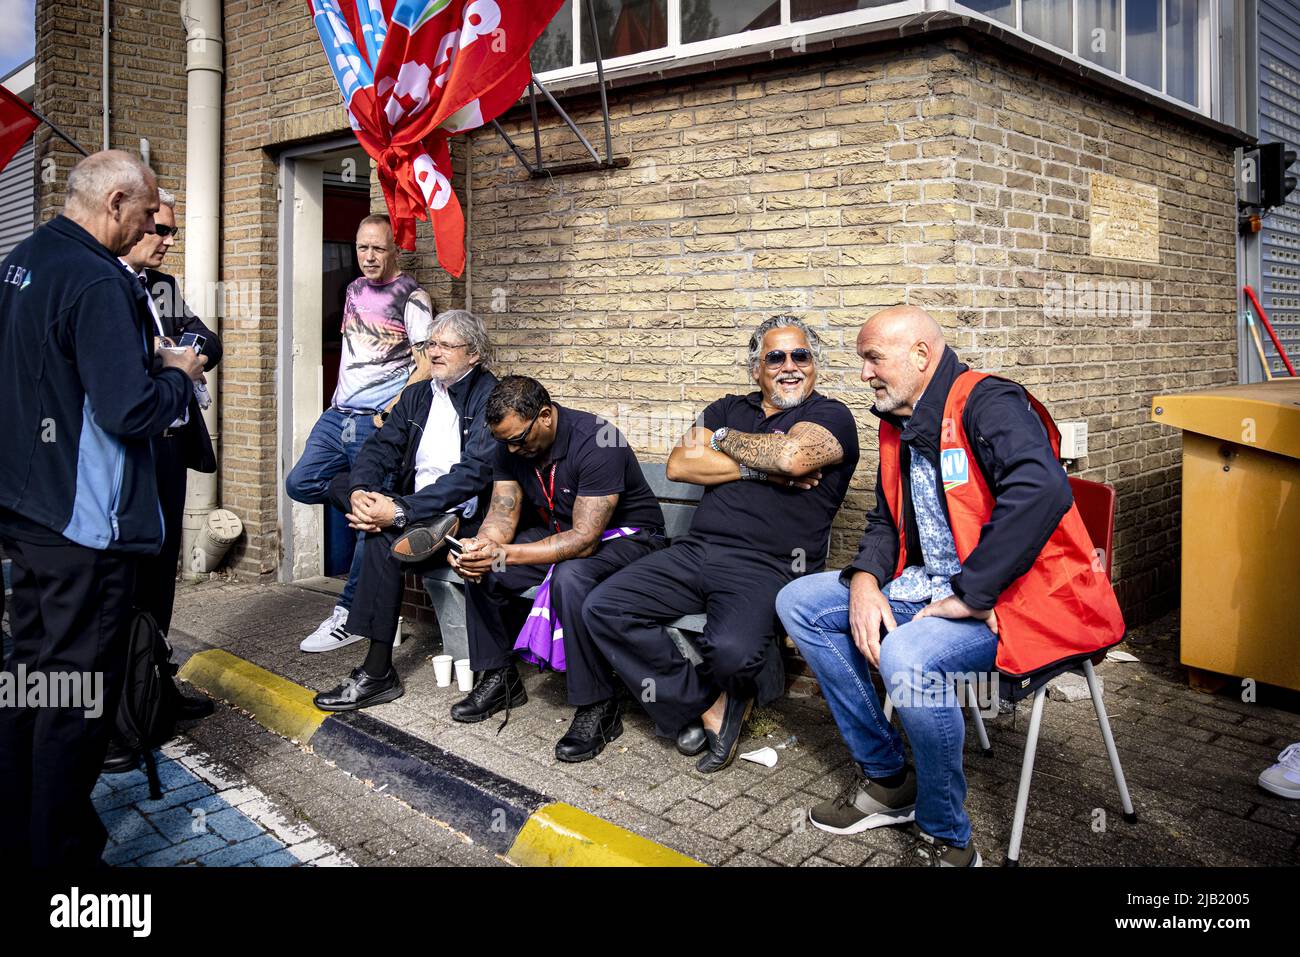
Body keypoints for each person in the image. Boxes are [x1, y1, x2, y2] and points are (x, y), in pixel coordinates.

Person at [775, 305, 1125, 866]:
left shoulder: (989, 401)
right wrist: (864, 581)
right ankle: (890, 780)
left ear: (921, 354)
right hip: (930, 587)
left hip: (1019, 602)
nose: (864, 373)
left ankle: (947, 835)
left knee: (908, 655)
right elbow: (888, 520)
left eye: (873, 358)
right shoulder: (897, 422)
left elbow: (1041, 490)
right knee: (800, 601)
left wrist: (972, 592)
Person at [0, 150, 206, 866]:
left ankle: (27, 826)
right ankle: (59, 854)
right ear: (116, 202)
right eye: (148, 213)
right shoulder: (97, 279)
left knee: (31, 672)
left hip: (29, 513)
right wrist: (177, 376)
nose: (154, 226)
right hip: (84, 526)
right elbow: (130, 409)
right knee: (77, 695)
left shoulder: (23, 259)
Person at [585, 315, 859, 773]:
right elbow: (679, 465)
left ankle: (725, 693)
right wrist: (758, 467)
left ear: (814, 366)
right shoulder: (729, 405)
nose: (790, 366)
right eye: (775, 356)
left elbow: (793, 457)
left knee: (731, 651)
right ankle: (705, 703)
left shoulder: (830, 415)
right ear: (756, 369)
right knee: (603, 606)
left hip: (769, 565)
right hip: (696, 551)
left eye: (801, 356)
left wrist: (725, 441)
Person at [449, 376, 666, 762]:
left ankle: (600, 706)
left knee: (571, 576)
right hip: (559, 532)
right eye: (505, 442)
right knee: (486, 568)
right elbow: (502, 511)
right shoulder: (509, 445)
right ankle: (500, 677)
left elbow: (584, 540)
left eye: (519, 439)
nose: (513, 448)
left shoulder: (599, 440)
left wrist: (506, 552)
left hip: (630, 541)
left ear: (545, 416)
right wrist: (483, 547)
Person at [312, 310, 499, 708]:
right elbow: (378, 450)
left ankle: (377, 673)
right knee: (341, 485)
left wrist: (399, 510)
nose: (434, 353)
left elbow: (473, 475)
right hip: (415, 507)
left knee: (384, 540)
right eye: (431, 344)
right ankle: (375, 670)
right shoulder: (418, 395)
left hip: (462, 517)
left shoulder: (489, 397)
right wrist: (364, 493)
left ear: (475, 354)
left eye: (447, 346)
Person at [285, 214, 434, 653]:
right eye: (362, 248)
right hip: (338, 415)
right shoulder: (352, 290)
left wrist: (393, 409)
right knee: (302, 482)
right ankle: (362, 501)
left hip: (374, 421)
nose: (368, 257)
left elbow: (426, 364)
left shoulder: (413, 297)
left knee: (369, 525)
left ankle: (349, 615)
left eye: (378, 249)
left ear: (394, 251)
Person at [120, 187, 223, 635]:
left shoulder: (163, 286)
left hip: (172, 447)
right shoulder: (108, 284)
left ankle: (157, 676)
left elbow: (208, 341)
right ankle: (128, 689)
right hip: (133, 450)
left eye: (173, 232)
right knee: (130, 567)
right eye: (160, 229)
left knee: (164, 565)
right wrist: (165, 355)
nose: (167, 240)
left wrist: (179, 351)